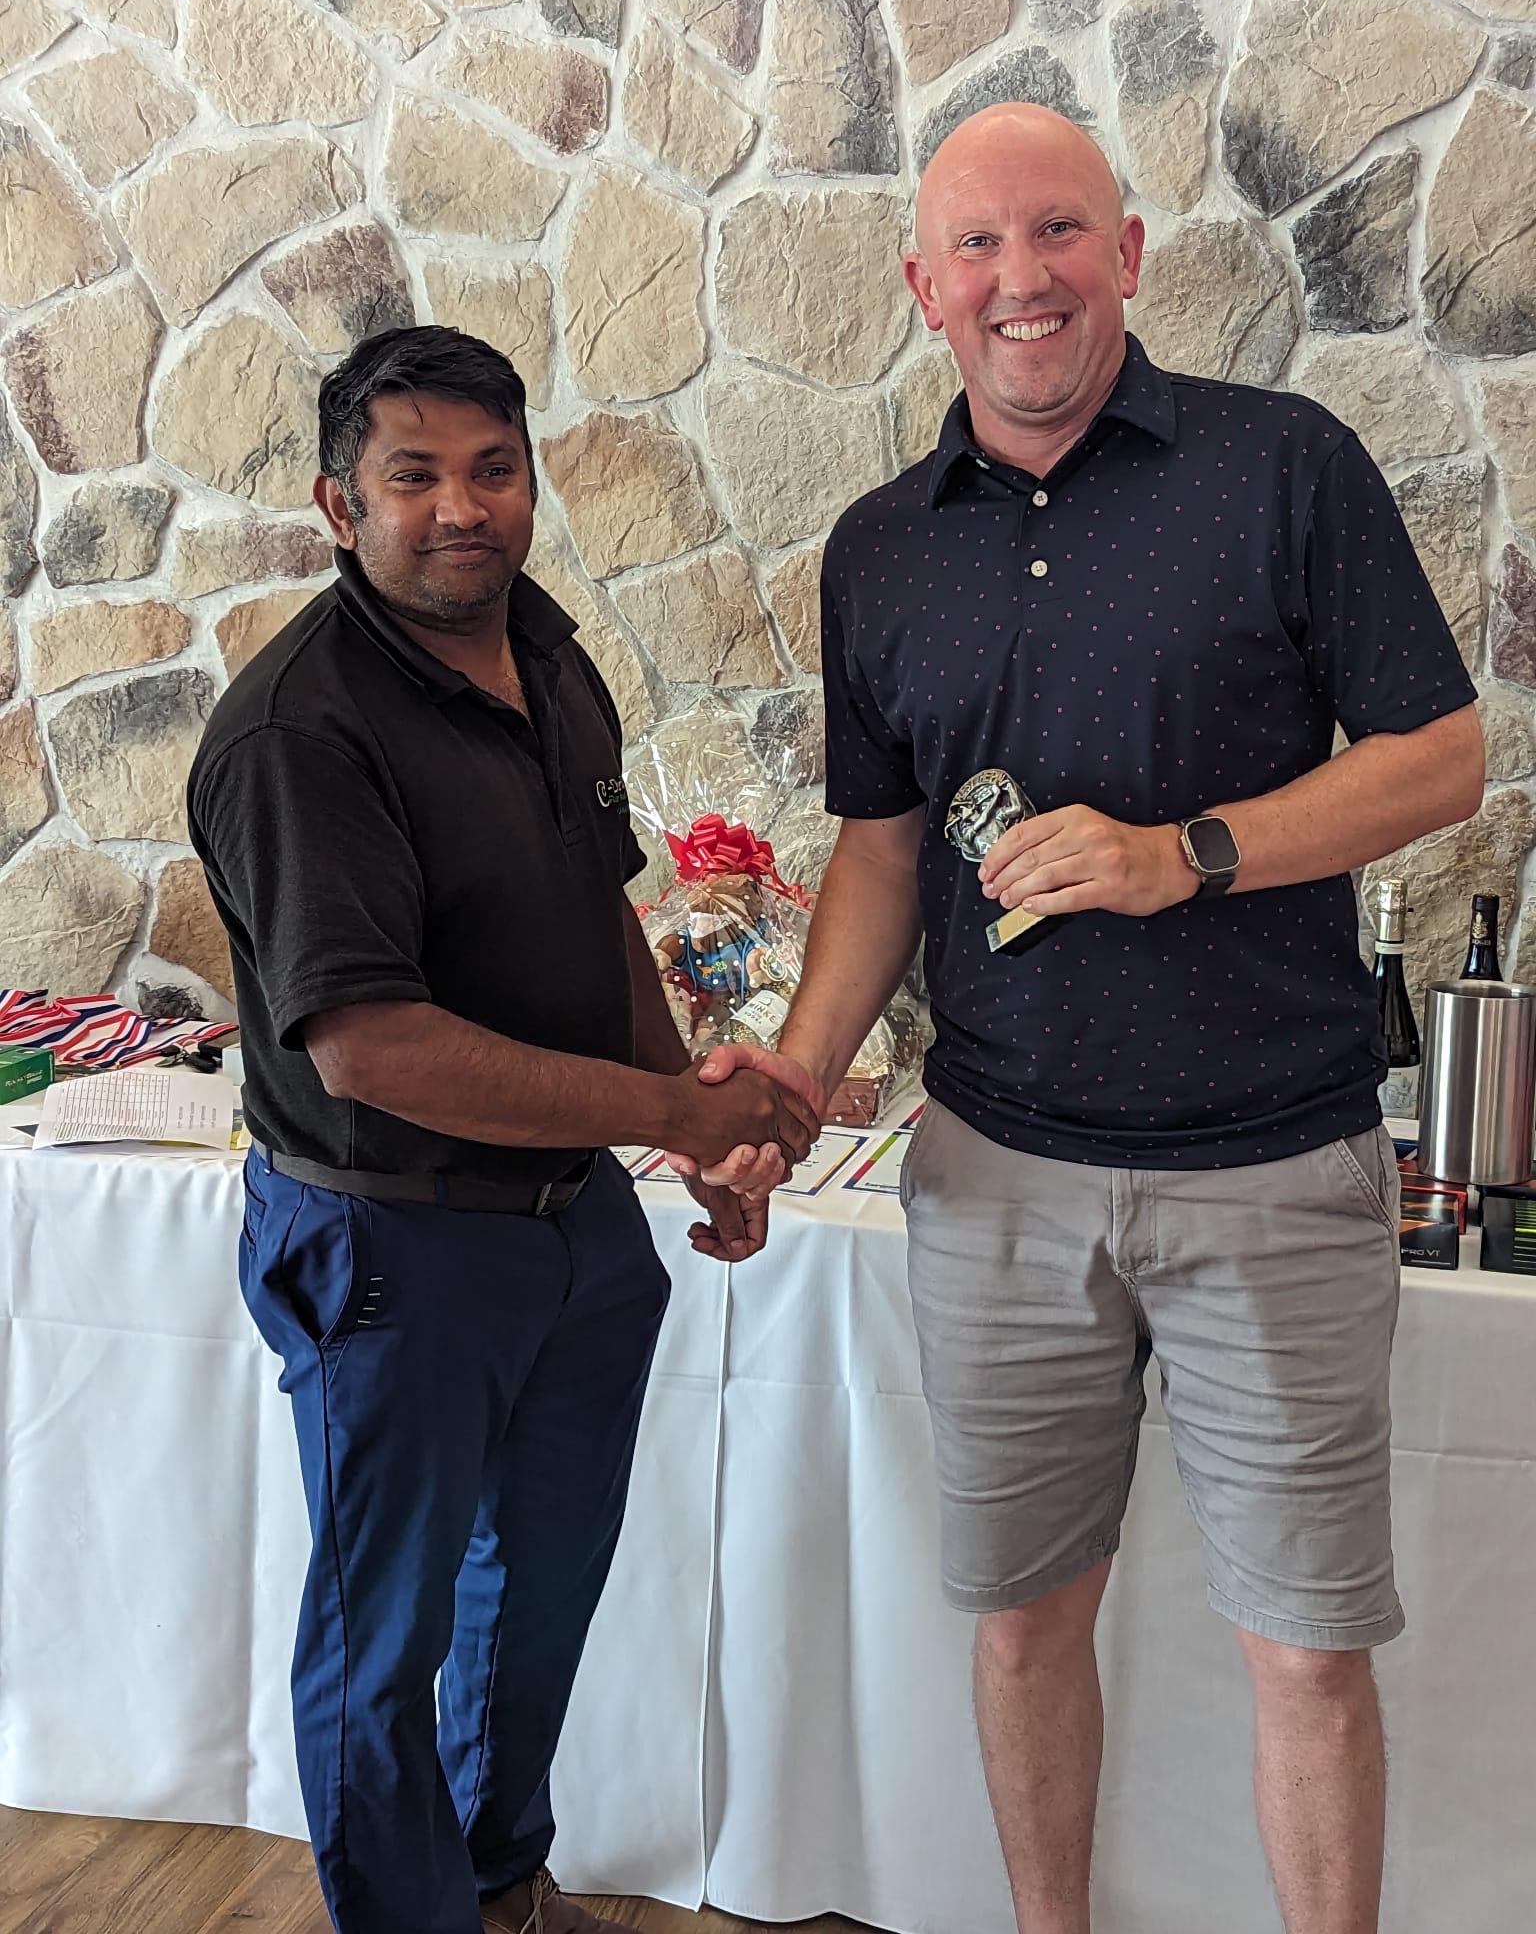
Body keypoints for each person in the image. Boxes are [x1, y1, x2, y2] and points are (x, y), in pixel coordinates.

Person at [682, 104, 1486, 1933]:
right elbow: (881, 852)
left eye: (1057, 232)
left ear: (1126, 254)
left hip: (1273, 1168)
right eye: (976, 246)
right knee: (1026, 1625)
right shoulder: (881, 547)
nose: (1019, 278)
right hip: (996, 1176)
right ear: (924, 288)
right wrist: (795, 1079)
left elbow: (1440, 757)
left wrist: (1183, 855)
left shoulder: (1284, 465)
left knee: (1307, 1654)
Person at [187, 326, 817, 1934]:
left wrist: (698, 1136)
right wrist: (671, 1108)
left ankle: (497, 1890)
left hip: (573, 1233)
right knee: (379, 1645)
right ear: (340, 506)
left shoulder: (547, 652)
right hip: (388, 1240)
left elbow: (601, 917)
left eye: (493, 469)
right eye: (414, 476)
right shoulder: (298, 734)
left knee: (537, 1595)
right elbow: (377, 1049)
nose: (461, 507)